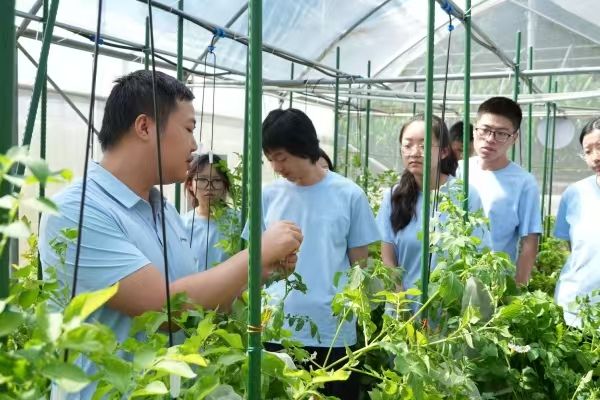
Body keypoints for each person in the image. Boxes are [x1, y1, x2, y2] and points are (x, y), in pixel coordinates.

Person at [38, 70, 302, 398]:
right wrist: (256, 255)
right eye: (189, 128)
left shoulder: (163, 209)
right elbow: (165, 310)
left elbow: (196, 302)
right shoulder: (77, 211)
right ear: (145, 127)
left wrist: (260, 273)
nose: (194, 145)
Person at [247, 108, 380, 400]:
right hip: (277, 328)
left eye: (282, 157)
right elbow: (250, 259)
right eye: (270, 159)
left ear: (304, 148)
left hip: (333, 331)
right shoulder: (267, 196)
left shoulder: (349, 194)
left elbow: (360, 266)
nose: (277, 167)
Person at [377, 114, 487, 299]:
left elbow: (477, 253)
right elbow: (388, 257)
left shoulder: (465, 194)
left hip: (450, 307)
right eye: (407, 145)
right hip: (402, 306)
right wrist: (399, 298)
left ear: (444, 152)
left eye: (423, 145)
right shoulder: (393, 197)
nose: (414, 152)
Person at [457, 97, 541, 285]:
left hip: (495, 284)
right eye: (485, 130)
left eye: (501, 134)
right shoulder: (456, 171)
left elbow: (529, 240)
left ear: (514, 138)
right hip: (453, 278)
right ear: (474, 129)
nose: (490, 139)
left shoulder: (524, 182)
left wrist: (518, 288)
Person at [554, 117, 600, 326]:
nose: (595, 157)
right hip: (577, 304)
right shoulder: (574, 193)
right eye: (588, 151)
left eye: (599, 147)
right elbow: (570, 248)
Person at [182, 153, 238, 271]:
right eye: (202, 179)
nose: (209, 186)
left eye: (217, 180)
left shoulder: (238, 222)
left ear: (225, 185)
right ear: (190, 184)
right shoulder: (181, 224)